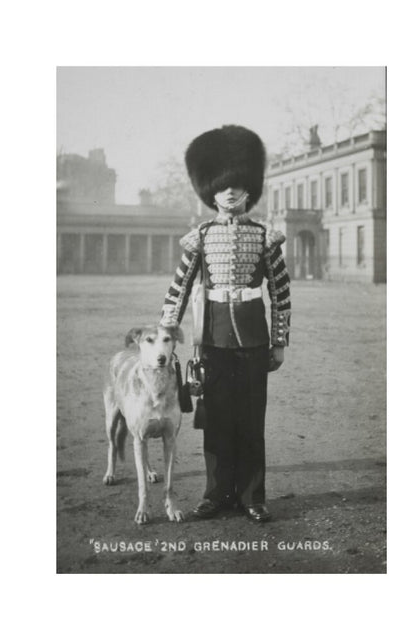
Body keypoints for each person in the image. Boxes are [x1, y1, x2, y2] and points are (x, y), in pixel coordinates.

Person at [161, 124, 291, 523]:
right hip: (212, 340)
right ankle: (216, 493)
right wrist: (167, 330)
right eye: (222, 186)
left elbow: (281, 293)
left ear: (249, 189)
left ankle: (252, 496)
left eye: (237, 184)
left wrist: (279, 341)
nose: (230, 192)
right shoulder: (199, 236)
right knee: (216, 421)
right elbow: (179, 286)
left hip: (253, 340)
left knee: (252, 420)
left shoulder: (264, 236)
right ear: (210, 191)